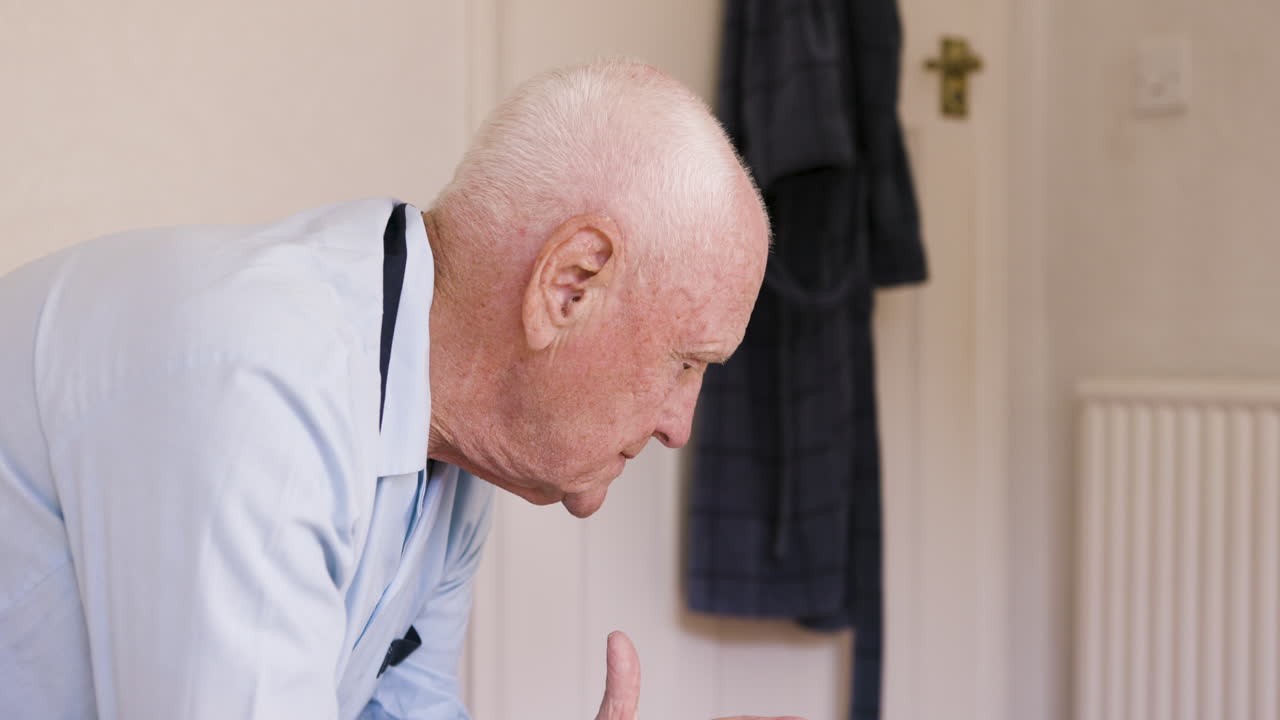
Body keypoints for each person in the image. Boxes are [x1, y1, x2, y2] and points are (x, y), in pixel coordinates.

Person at [0, 60, 792, 719]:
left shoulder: (444, 452)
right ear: (570, 285)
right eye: (686, 363)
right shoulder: (262, 391)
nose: (680, 424)